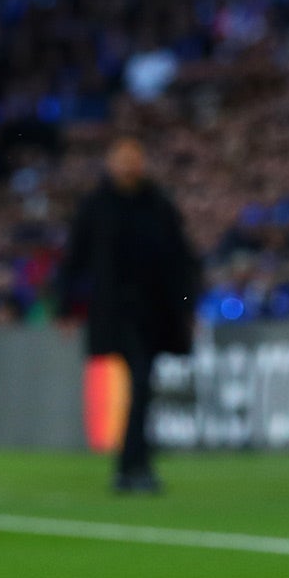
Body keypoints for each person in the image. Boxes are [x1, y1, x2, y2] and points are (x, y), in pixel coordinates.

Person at [57, 138, 199, 493]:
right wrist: (66, 307)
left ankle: (132, 465)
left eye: (134, 159)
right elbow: (75, 258)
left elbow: (181, 260)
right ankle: (134, 465)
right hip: (114, 312)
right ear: (110, 164)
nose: (129, 166)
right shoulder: (96, 207)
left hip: (154, 311)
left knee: (143, 384)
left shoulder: (159, 205)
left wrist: (185, 306)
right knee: (139, 382)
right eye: (122, 160)